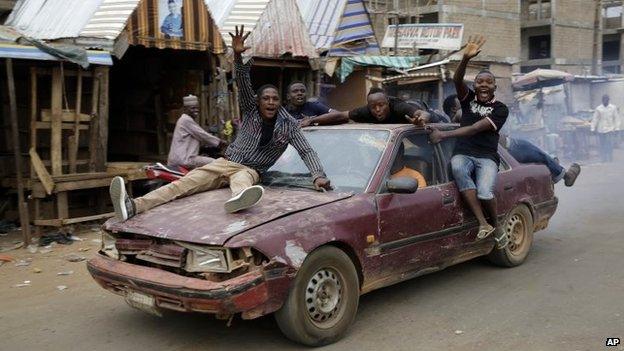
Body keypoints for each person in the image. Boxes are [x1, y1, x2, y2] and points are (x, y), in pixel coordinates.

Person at [109, 25, 332, 220]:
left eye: (274, 99)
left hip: (251, 169)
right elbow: (244, 84)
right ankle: (133, 206)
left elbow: (306, 151)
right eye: (266, 98)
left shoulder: (289, 125)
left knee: (243, 181)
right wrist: (237, 57)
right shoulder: (250, 110)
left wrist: (318, 175)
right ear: (258, 101)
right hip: (225, 162)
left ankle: (239, 200)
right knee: (182, 184)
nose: (271, 102)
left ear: (280, 101)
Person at [428, 36, 509, 248]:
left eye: (488, 82)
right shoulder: (468, 99)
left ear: (494, 87)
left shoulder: (501, 109)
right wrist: (465, 58)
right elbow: (456, 80)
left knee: (484, 192)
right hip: (463, 153)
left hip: (487, 157)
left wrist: (443, 135)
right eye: (480, 82)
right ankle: (483, 224)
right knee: (457, 167)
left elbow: (475, 128)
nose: (483, 85)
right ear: (475, 85)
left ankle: (497, 224)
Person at [445, 95, 581, 186]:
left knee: (537, 154)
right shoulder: (458, 117)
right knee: (535, 152)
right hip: (507, 150)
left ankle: (554, 167)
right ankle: (563, 175)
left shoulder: (454, 125)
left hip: (504, 150)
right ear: (453, 108)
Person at [299, 87, 431, 127]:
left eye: (381, 105)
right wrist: (311, 121)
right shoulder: (365, 111)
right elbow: (340, 115)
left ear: (388, 103)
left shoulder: (399, 107)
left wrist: (421, 120)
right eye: (373, 107)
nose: (377, 110)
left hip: (432, 116)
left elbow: (424, 114)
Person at [167, 95, 226, 170]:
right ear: (185, 109)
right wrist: (220, 142)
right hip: (184, 159)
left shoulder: (184, 120)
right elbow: (202, 135)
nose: (196, 110)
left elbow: (198, 135)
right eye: (193, 108)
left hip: (177, 159)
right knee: (217, 163)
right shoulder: (186, 120)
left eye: (197, 108)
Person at [591, 94, 619, 162]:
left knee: (609, 144)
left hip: (610, 129)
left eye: (607, 99)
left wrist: (617, 128)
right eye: (604, 99)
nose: (605, 101)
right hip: (601, 130)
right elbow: (595, 119)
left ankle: (610, 157)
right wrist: (593, 128)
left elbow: (616, 118)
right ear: (602, 100)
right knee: (602, 144)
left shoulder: (613, 108)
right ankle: (604, 158)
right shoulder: (598, 108)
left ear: (609, 100)